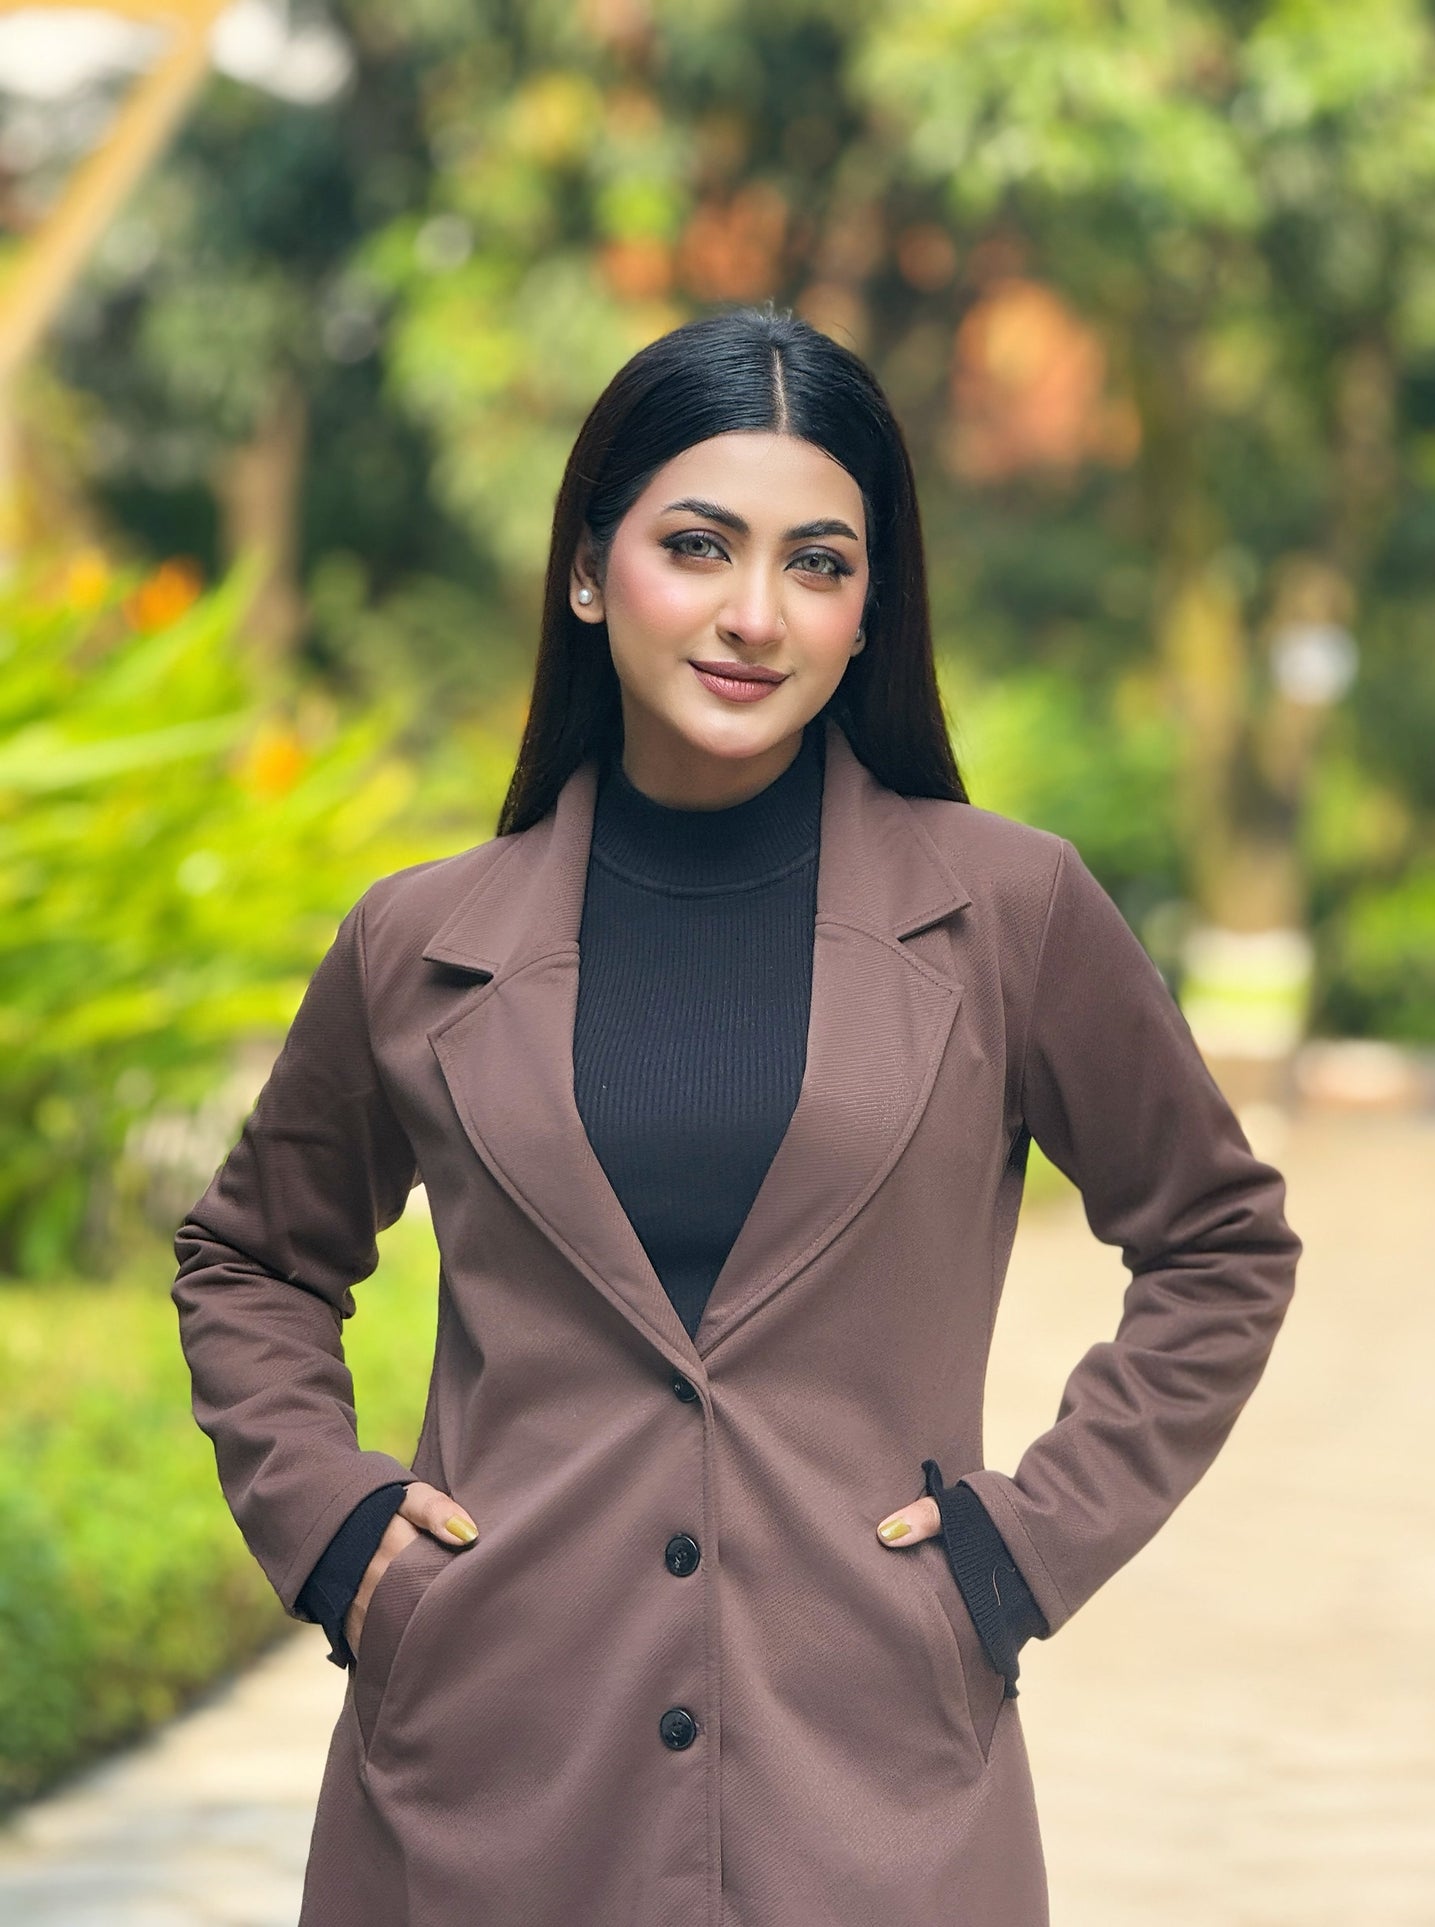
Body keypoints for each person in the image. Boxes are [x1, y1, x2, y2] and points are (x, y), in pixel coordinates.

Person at [172, 302, 1302, 1927]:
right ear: (586, 571)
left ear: (867, 609)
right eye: (696, 545)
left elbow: (1216, 1242)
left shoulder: (1008, 911)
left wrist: (1020, 1551)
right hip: (489, 1783)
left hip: (871, 1786)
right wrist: (343, 1536)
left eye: (818, 564)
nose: (752, 615)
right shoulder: (419, 940)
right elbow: (251, 1262)